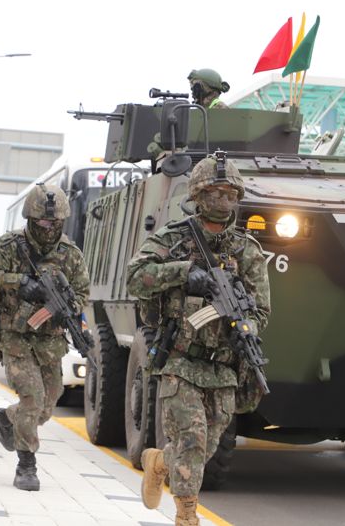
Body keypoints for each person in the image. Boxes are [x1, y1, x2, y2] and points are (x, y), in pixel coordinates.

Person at [126, 155, 270, 525]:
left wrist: (249, 329)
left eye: (230, 193)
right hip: (180, 359)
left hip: (223, 367)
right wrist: (184, 273)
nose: (223, 200)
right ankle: (186, 517)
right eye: (215, 192)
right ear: (198, 194)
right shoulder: (174, 239)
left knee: (201, 450)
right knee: (191, 440)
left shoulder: (246, 251)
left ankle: (158, 462)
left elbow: (261, 310)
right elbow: (135, 276)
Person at [0, 183, 89, 492]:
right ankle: (26, 464)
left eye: (55, 222)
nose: (50, 227)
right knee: (32, 399)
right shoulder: (10, 246)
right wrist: (19, 282)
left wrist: (66, 307)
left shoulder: (70, 254)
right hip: (15, 335)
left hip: (50, 340)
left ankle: (8, 419)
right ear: (31, 219)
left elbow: (83, 293)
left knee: (48, 404)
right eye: (43, 221)